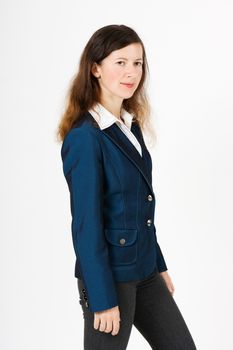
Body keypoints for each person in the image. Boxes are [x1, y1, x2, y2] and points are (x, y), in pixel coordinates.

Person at [56, 24, 197, 350]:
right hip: (110, 277)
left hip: (145, 270)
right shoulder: (85, 137)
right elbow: (86, 224)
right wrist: (102, 298)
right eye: (120, 62)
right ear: (95, 68)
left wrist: (158, 265)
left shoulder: (129, 127)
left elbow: (141, 208)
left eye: (138, 63)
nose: (131, 72)